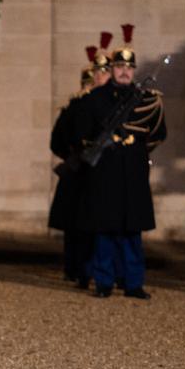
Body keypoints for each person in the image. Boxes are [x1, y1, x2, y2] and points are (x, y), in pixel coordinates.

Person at [72, 24, 166, 299]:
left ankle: (133, 282)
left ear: (134, 71)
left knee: (132, 231)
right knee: (105, 230)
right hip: (106, 171)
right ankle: (104, 282)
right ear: (112, 69)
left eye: (129, 67)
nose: (125, 71)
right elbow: (82, 133)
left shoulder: (147, 99)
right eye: (119, 67)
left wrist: (134, 148)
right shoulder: (96, 99)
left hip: (134, 171)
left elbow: (158, 134)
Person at [48, 42, 111, 287]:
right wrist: (74, 156)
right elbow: (60, 141)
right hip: (81, 170)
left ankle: (92, 269)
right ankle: (81, 269)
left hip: (102, 170)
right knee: (79, 226)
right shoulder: (77, 107)